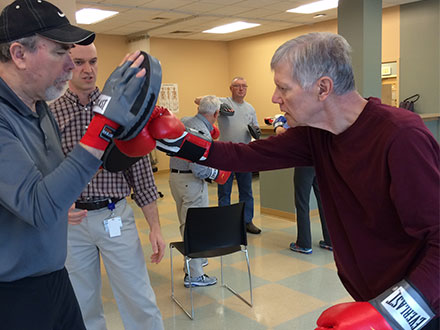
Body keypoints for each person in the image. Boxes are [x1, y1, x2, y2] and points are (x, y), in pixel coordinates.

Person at [150, 32, 439, 329]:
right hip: (373, 298)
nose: (275, 98)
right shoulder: (317, 135)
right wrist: (178, 142)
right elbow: (246, 156)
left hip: (424, 303)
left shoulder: (400, 137)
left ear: (323, 88)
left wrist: (393, 313)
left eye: (283, 88)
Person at [0, 1, 154, 329]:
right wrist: (102, 126)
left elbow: (53, 181)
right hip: (15, 293)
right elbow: (39, 206)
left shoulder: (39, 110)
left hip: (55, 278)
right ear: (19, 54)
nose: (72, 65)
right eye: (60, 52)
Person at [49, 43, 165, 330]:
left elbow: (140, 171)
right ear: (66, 64)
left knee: (138, 297)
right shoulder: (51, 115)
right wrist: (59, 208)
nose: (88, 69)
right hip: (74, 225)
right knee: (82, 301)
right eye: (79, 62)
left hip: (115, 216)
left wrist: (155, 227)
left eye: (93, 62)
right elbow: (45, 171)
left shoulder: (120, 110)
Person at [169, 95, 230, 287]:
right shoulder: (203, 133)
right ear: (216, 114)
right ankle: (194, 275)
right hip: (191, 183)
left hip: (175, 179)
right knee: (195, 228)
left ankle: (192, 260)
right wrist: (219, 172)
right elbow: (199, 169)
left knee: (185, 223)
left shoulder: (186, 120)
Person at [197, 77, 261, 234]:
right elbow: (198, 100)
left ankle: (247, 221)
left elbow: (256, 128)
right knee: (224, 190)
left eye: (244, 86)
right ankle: (224, 222)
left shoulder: (250, 108)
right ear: (230, 88)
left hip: (244, 154)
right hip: (225, 154)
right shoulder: (222, 102)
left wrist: (255, 131)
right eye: (237, 86)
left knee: (246, 190)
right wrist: (219, 106)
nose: (241, 89)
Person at [273, 115, 332, 254]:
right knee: (323, 202)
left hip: (304, 162)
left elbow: (281, 132)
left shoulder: (300, 115)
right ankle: (330, 241)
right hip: (320, 160)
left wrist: (277, 124)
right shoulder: (319, 112)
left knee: (302, 202)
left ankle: (304, 243)